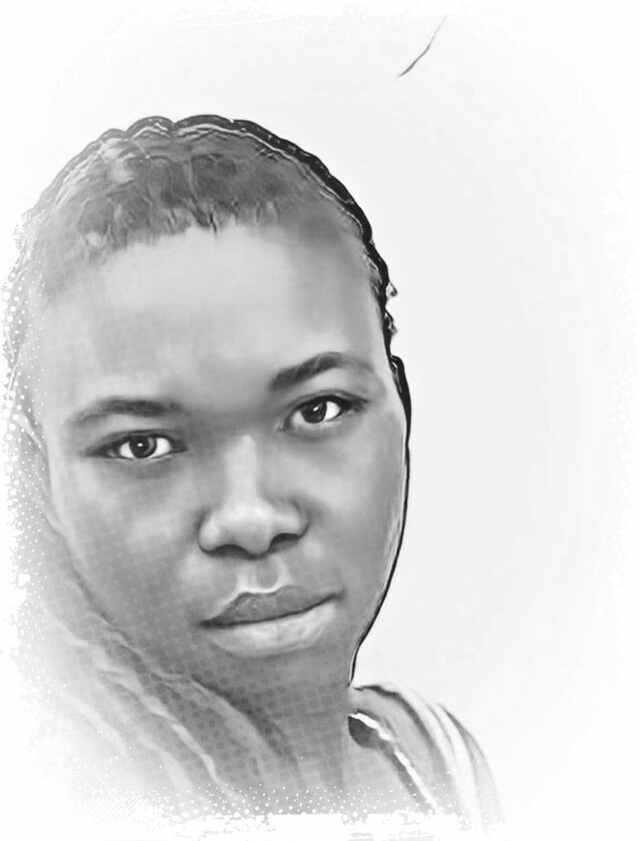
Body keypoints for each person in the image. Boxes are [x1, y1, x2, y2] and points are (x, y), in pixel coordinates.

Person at [3, 115, 501, 834]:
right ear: (38, 479)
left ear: (400, 402)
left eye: (318, 409)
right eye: (143, 445)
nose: (252, 518)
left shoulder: (433, 754)